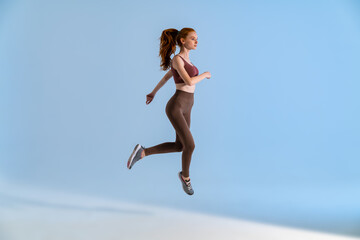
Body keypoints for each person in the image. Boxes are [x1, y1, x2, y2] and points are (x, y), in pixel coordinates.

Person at [127, 28, 211, 195]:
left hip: (188, 106)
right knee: (191, 145)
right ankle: (185, 177)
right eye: (193, 38)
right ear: (182, 41)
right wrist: (204, 75)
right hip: (177, 106)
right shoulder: (177, 59)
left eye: (197, 39)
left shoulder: (188, 61)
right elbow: (188, 81)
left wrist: (153, 92)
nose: (196, 41)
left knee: (180, 146)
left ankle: (143, 152)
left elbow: (167, 77)